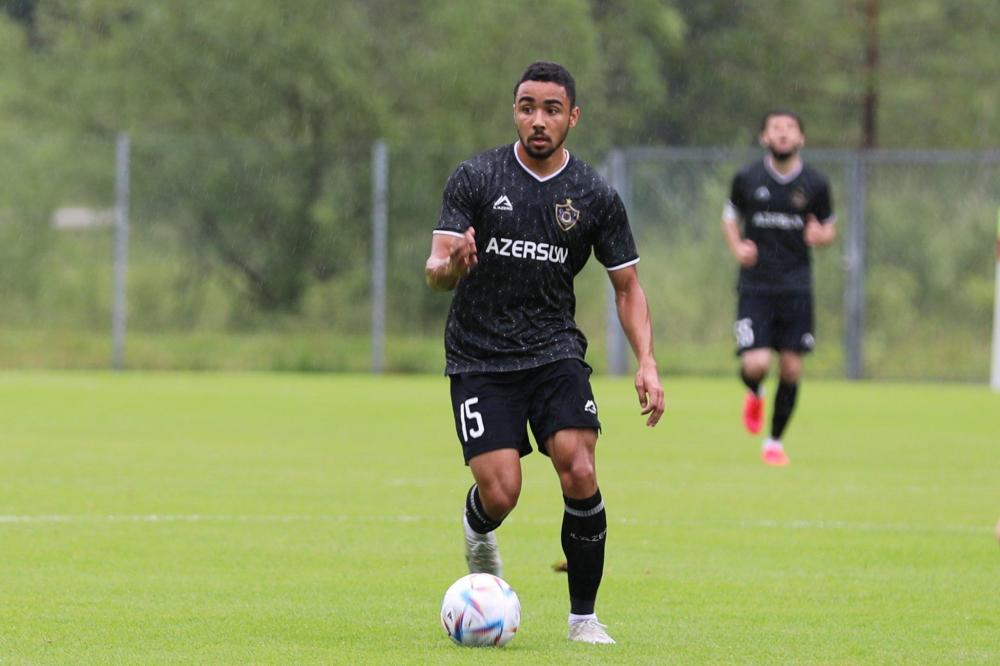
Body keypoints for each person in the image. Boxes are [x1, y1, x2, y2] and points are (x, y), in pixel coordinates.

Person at [424, 61, 665, 645]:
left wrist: (647, 361)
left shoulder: (593, 195)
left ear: (572, 117)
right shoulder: (477, 176)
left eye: (551, 109)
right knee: (502, 491)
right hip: (480, 355)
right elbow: (434, 270)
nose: (538, 120)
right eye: (527, 107)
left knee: (579, 467)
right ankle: (478, 528)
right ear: (515, 111)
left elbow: (627, 287)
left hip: (554, 349)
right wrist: (453, 265)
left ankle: (583, 619)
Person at [722, 109, 837, 466]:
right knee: (756, 364)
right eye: (775, 128)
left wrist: (821, 235)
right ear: (764, 137)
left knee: (791, 369)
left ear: (801, 137)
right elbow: (730, 217)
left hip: (796, 287)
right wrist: (737, 247)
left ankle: (773, 442)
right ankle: (755, 391)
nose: (783, 133)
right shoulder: (747, 178)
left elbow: (829, 227)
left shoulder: (816, 183)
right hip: (756, 286)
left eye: (790, 128)